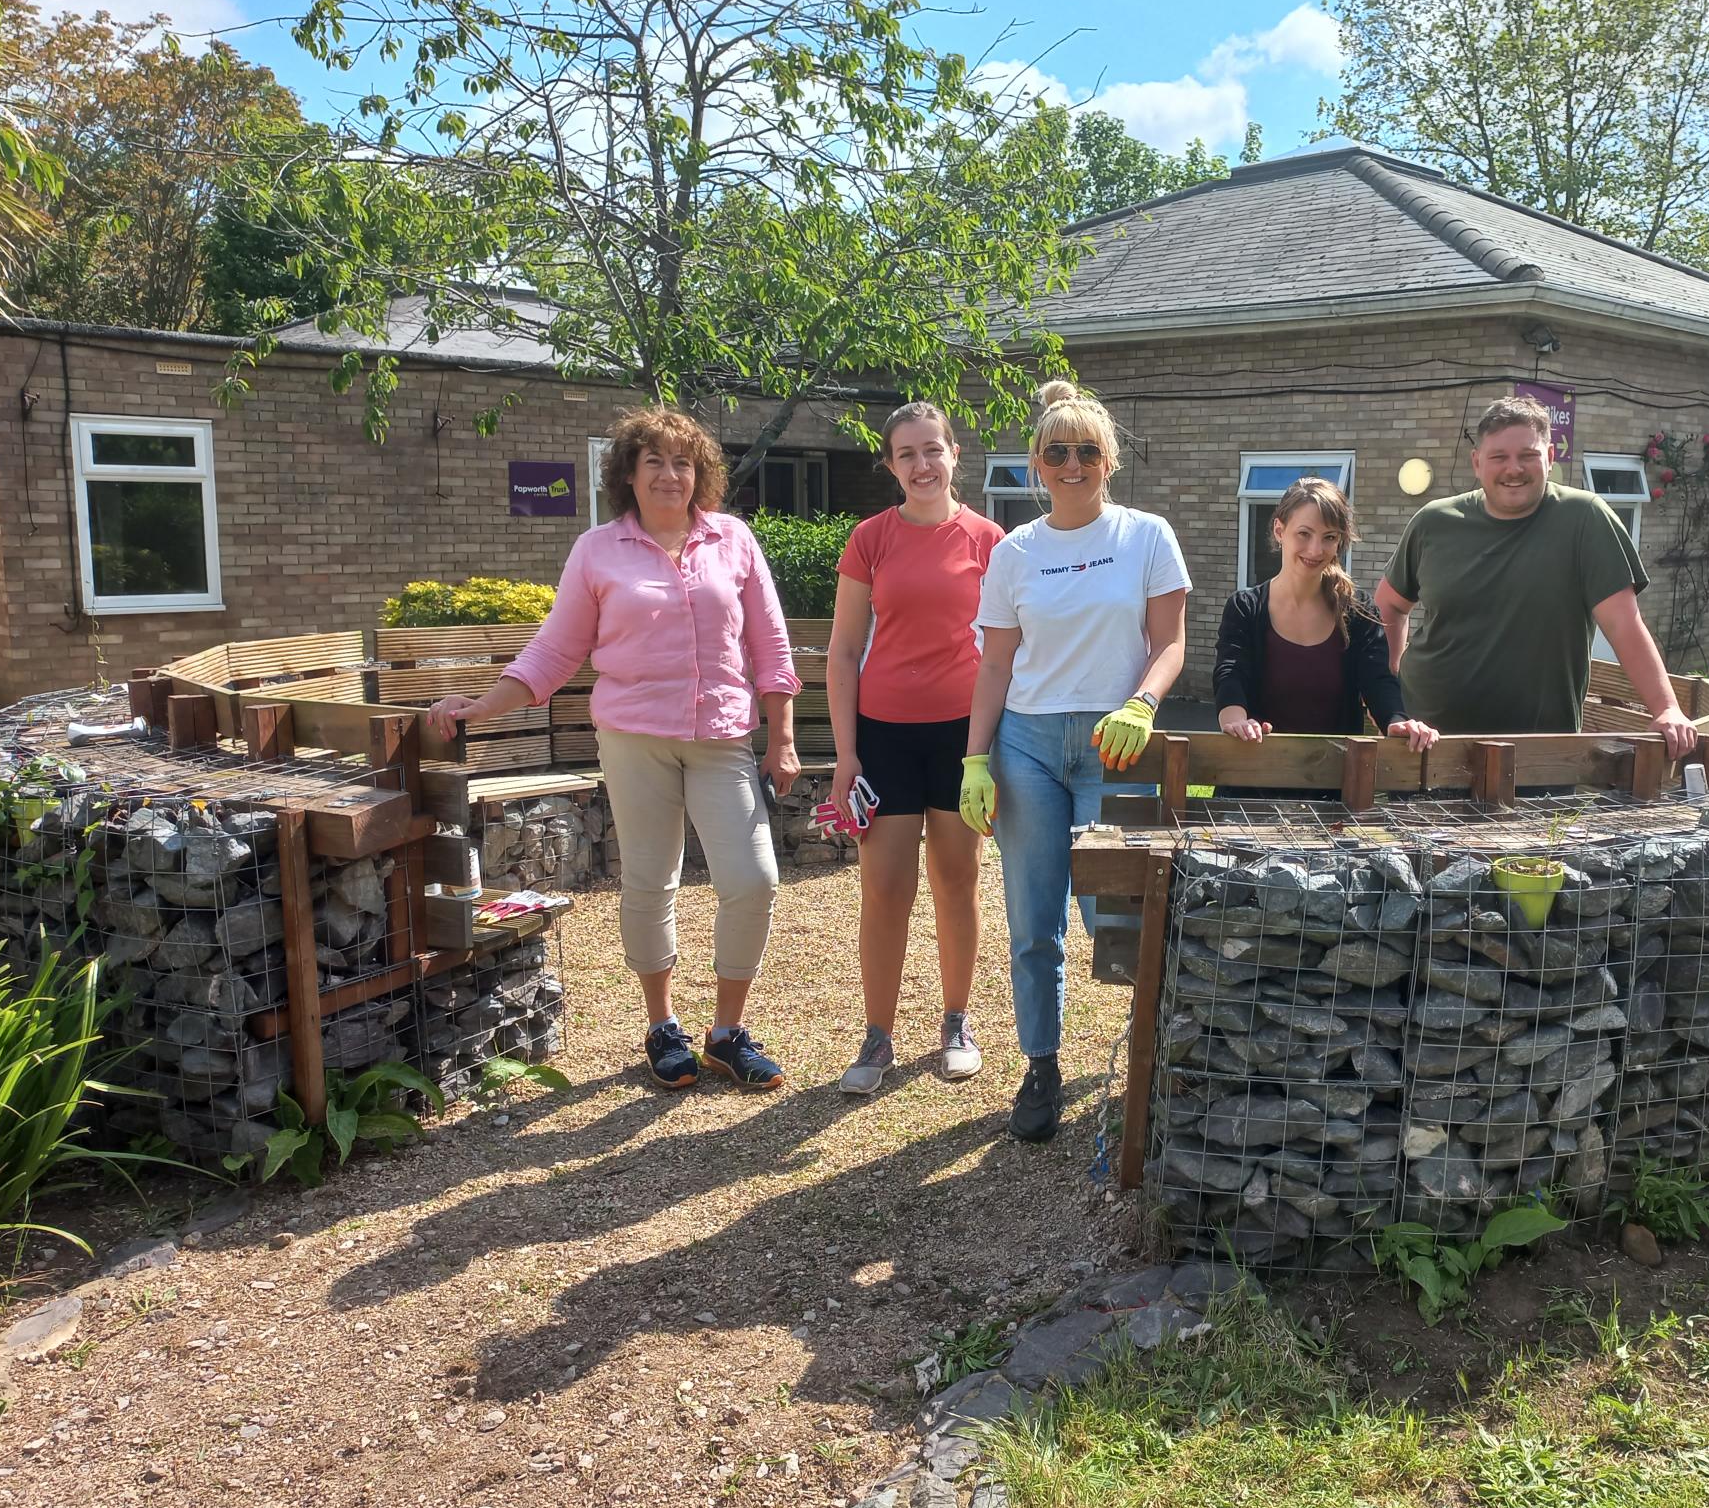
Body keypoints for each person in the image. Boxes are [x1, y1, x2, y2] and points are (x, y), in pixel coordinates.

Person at [425, 407, 801, 1093]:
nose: (669, 474)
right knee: (650, 880)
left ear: (701, 473)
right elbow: (556, 649)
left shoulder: (734, 541)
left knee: (753, 881)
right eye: (653, 460)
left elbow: (770, 648)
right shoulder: (597, 550)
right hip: (633, 739)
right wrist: (481, 705)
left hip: (721, 738)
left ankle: (726, 1033)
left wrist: (782, 737)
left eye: (682, 461)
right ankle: (663, 1026)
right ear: (628, 472)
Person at [960, 381, 1190, 1144]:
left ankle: (1148, 1054)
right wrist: (975, 760)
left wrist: (1143, 704)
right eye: (1056, 452)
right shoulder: (1015, 552)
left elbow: (1171, 644)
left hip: (1112, 746)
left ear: (1109, 459)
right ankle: (1041, 1065)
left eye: (1087, 450)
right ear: (1035, 464)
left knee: (1116, 914)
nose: (1072, 463)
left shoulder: (1146, 535)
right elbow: (995, 665)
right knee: (1034, 920)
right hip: (1025, 745)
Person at [827, 403, 1003, 1096]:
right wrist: (846, 755)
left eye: (933, 450)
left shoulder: (991, 540)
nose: (922, 465)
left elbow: (1010, 650)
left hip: (964, 737)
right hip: (884, 737)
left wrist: (990, 748)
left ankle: (956, 1022)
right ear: (891, 465)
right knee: (885, 889)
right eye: (907, 454)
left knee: (958, 880)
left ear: (956, 453)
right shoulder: (869, 538)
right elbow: (843, 652)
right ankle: (877, 1037)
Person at [1373, 396, 1700, 759]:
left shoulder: (1584, 520)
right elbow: (1388, 605)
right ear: (1477, 463)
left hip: (1542, 750)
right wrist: (1390, 685)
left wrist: (1666, 708)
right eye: (1499, 457)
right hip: (1428, 743)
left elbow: (1624, 624)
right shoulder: (1434, 522)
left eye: (1527, 455)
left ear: (1549, 458)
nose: (1513, 469)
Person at [1214, 476, 1440, 759]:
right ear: (1279, 530)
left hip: (1336, 786)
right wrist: (1236, 721)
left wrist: (1396, 721)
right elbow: (1230, 674)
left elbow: (1378, 681)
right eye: (1304, 534)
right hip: (1252, 779)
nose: (1315, 550)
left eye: (1329, 537)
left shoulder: (1358, 610)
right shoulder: (1245, 608)